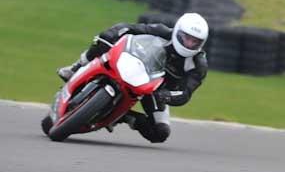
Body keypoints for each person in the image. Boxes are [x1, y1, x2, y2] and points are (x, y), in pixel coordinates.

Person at [57, 13, 209, 143]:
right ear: (177, 32)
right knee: (103, 40)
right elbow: (129, 28)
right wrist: (113, 33)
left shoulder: (198, 65)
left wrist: (166, 96)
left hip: (155, 91)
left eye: (195, 41)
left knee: (160, 133)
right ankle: (76, 67)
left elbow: (185, 94)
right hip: (135, 66)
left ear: (201, 43)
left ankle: (123, 117)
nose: (189, 43)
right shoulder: (162, 31)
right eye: (186, 38)